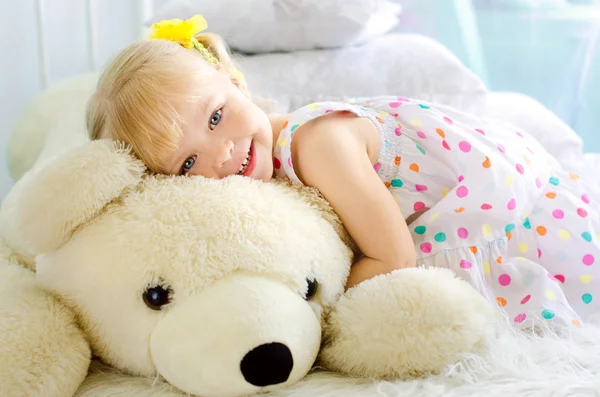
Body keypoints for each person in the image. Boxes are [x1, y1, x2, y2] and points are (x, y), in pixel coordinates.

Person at [87, 15, 600, 329]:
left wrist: (306, 307)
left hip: (512, 216)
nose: (219, 154)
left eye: (216, 116)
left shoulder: (317, 143)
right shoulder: (259, 181)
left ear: (234, 78)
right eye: (187, 163)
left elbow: (394, 255)